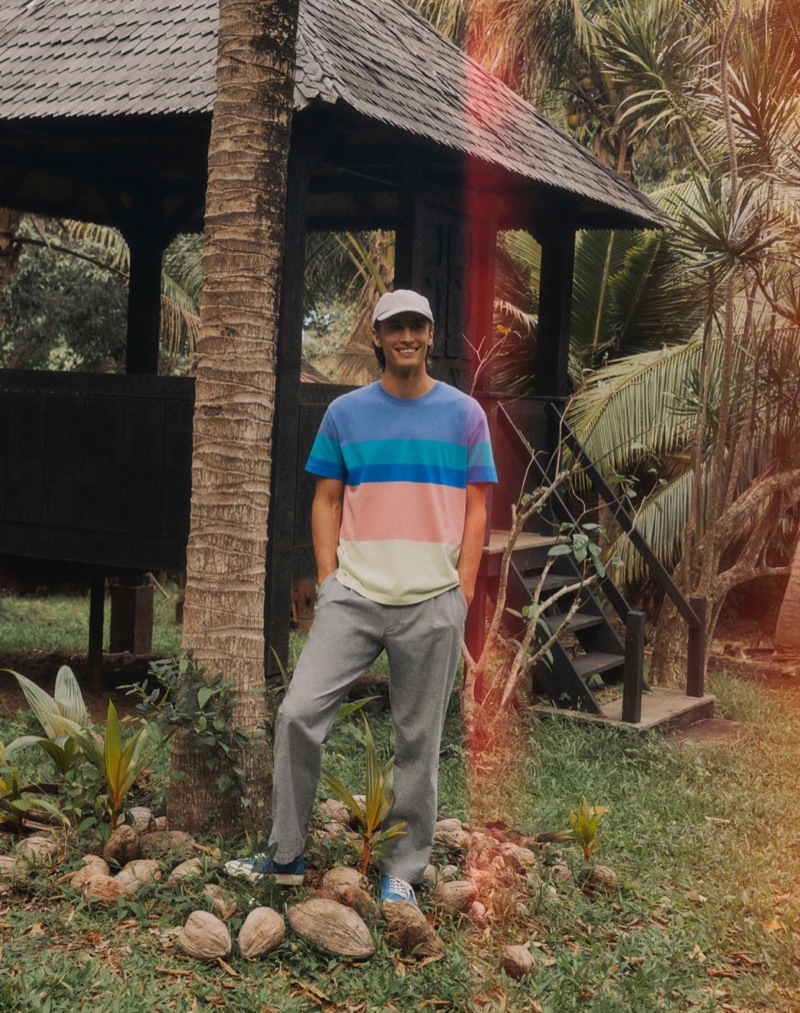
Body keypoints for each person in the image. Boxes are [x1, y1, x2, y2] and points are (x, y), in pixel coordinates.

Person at [225, 289, 497, 904]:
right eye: (394, 326)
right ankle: (286, 856)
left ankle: (403, 870)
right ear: (377, 337)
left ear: (430, 335)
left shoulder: (465, 414)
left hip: (432, 599)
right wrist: (329, 580)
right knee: (297, 715)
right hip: (354, 596)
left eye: (416, 326)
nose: (406, 336)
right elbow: (325, 499)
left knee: (417, 740)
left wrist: (464, 588)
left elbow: (479, 507)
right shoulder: (345, 413)